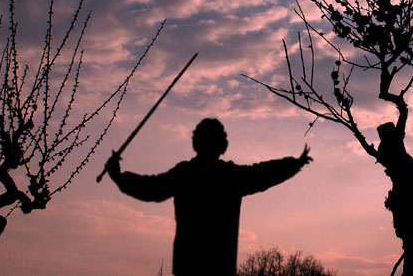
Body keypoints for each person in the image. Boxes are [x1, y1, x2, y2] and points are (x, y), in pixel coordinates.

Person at [105, 118, 312, 276]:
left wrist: (119, 177)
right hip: (219, 266)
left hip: (188, 266)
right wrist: (294, 164)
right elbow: (263, 173)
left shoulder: (185, 174)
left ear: (195, 143)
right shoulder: (230, 176)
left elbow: (152, 188)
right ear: (222, 145)